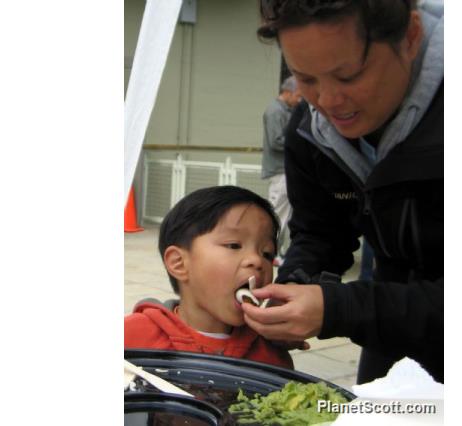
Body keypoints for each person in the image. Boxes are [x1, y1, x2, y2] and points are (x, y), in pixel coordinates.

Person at [242, 0, 444, 383]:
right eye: (307, 79)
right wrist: (296, 282)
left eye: (349, 76)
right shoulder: (311, 130)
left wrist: (338, 308)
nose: (329, 102)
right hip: (391, 336)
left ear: (411, 37)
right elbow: (320, 232)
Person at [124, 185, 293, 369]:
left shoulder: (271, 355)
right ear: (179, 263)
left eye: (267, 254)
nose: (257, 260)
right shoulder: (131, 336)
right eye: (234, 245)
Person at [261, 76, 302, 263]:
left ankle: (276, 252)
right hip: (280, 171)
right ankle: (270, 253)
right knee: (277, 215)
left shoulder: (285, 110)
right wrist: (300, 143)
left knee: (284, 215)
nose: (300, 100)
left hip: (285, 170)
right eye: (298, 95)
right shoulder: (275, 111)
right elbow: (276, 141)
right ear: (287, 92)